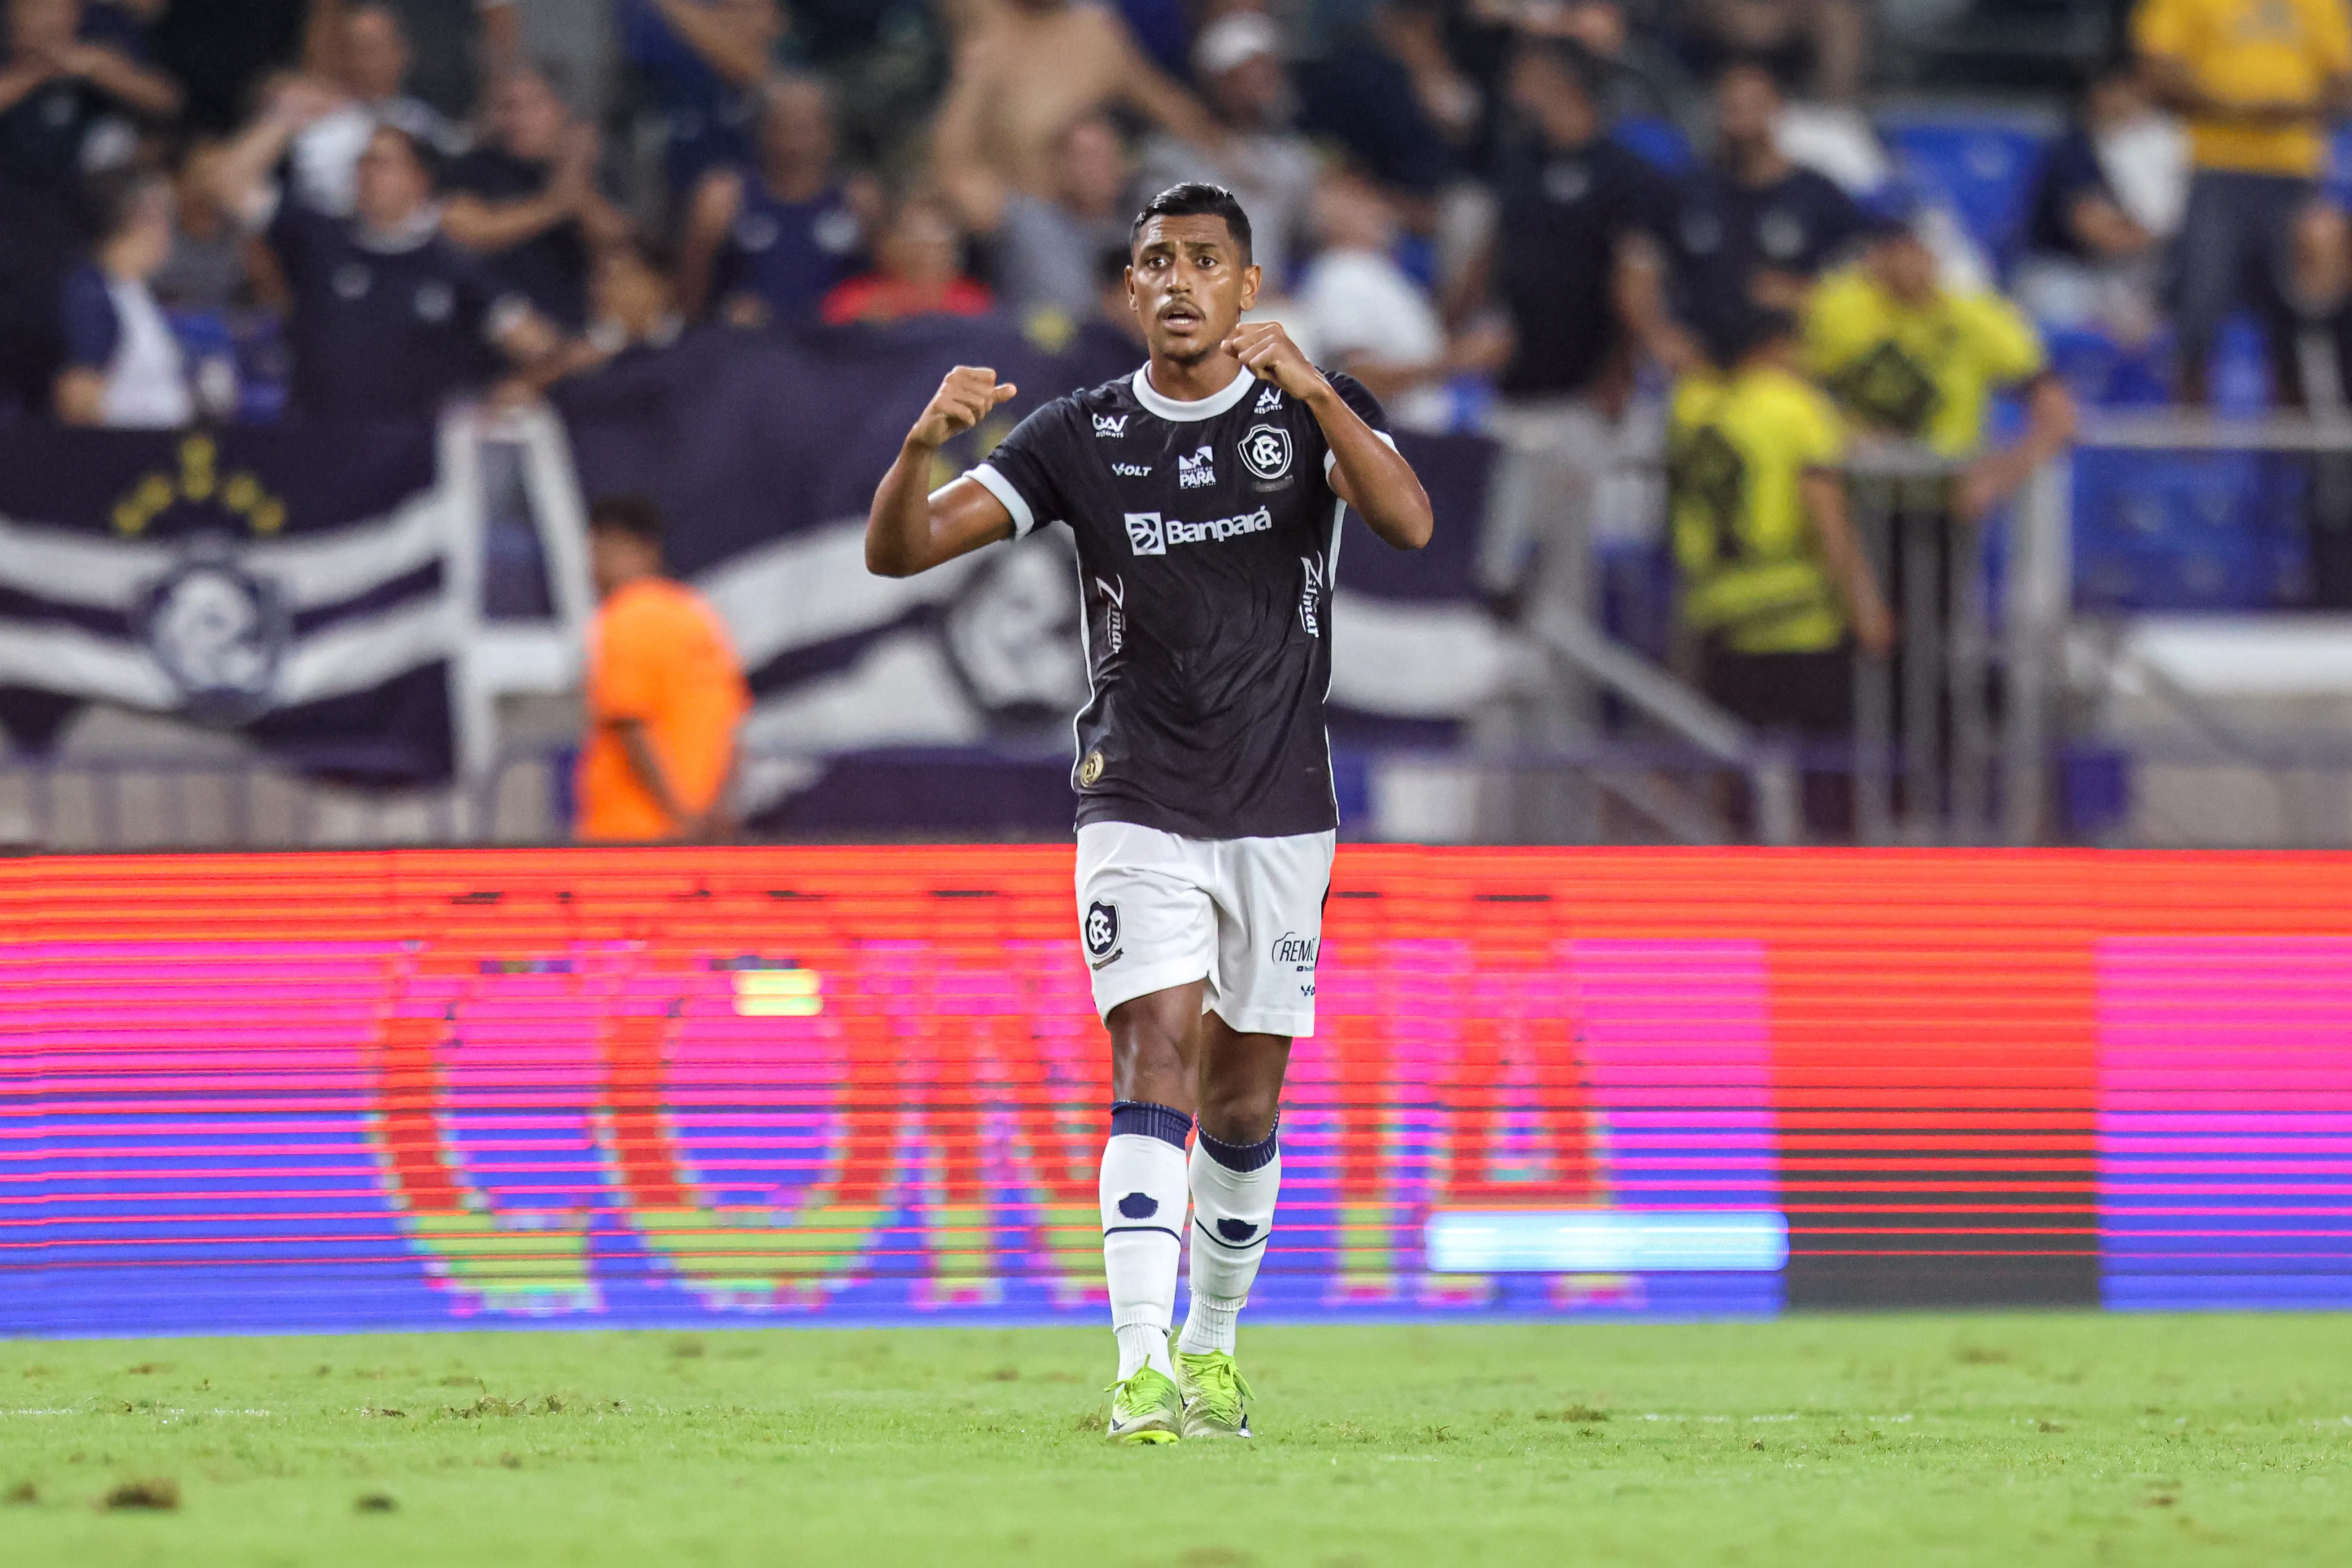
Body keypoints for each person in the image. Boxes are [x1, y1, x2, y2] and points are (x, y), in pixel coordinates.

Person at [863, 182, 1432, 1444]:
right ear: (1130, 292)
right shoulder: (1078, 432)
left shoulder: (1304, 409)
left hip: (1283, 805)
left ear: (1247, 284)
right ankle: (1140, 1367)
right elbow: (900, 554)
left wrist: (1325, 391)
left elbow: (1408, 519)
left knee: (1244, 1099)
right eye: (1153, 262)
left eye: (1205, 260)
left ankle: (1215, 1345)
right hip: (1136, 794)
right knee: (1152, 1053)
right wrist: (919, 451)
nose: (1177, 280)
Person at [1458, 34, 1673, 612]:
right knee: (1498, 564)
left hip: (1586, 397)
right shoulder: (1517, 162)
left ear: (1560, 80)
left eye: (1524, 73)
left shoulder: (1625, 174)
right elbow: (1494, 255)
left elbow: (1636, 289)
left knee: (1570, 572)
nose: (1513, 88)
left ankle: (1566, 699)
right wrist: (1457, 318)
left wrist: (1617, 379)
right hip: (1513, 393)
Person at [1668, 303, 1889, 834]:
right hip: (1797, 612)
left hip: (1718, 609)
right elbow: (1827, 516)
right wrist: (1865, 604)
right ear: (1769, 348)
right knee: (1825, 778)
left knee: (1738, 780)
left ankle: (1743, 899)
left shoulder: (1691, 405)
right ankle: (1826, 897)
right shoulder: (1791, 406)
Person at [212, 85, 562, 419]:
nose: (366, 174)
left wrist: (519, 386)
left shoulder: (452, 265)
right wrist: (285, 116)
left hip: (410, 458)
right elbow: (229, 181)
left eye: (382, 164)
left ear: (419, 178)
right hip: (317, 445)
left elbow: (543, 347)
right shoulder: (317, 235)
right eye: (363, 162)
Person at [2133, 0, 2352, 406]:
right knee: (2198, 308)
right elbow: (2157, 69)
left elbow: (2343, 81)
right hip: (2216, 168)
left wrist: (2290, 109)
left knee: (2297, 318)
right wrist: (2234, 105)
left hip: (2294, 172)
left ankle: (2294, 457)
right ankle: (2191, 450)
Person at [1806, 206, 2077, 525]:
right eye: (1894, 248)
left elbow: (2058, 412)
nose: (1907, 261)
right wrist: (1839, 436)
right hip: (1857, 494)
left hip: (1945, 499)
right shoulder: (1839, 307)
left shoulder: (1977, 317)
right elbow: (1797, 388)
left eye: (1916, 249)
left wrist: (2000, 474)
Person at [0, 0, 181, 414]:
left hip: (72, 274)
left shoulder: (93, 80)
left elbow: (168, 103)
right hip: (8, 269)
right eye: (39, 9)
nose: (53, 20)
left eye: (63, 9)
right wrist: (34, 74)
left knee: (74, 407)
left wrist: (97, 67)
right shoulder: (12, 72)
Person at [1649, 60, 1870, 363]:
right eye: (1729, 107)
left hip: (1786, 371)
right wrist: (1658, 332)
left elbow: (1864, 275)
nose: (1739, 118)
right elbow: (1641, 265)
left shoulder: (1817, 193)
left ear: (1777, 108)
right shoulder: (1688, 191)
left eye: (1750, 105)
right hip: (1697, 369)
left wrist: (1807, 295)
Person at [927, 0, 1221, 210]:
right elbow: (951, 157)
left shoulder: (1094, 33)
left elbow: (1175, 111)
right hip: (1020, 218)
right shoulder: (988, 31)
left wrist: (1232, 158)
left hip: (1101, 218)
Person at [577, 492, 752, 843]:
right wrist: (716, 813)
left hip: (629, 835)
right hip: (701, 833)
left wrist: (681, 818)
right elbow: (731, 733)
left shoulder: (624, 617)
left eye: (601, 552)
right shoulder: (700, 616)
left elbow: (631, 727)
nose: (593, 568)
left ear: (637, 548)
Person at [1133, 11, 1318, 288]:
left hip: (1282, 304)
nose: (1261, 81)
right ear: (1215, 82)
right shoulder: (1170, 158)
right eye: (1245, 73)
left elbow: (1314, 232)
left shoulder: (1291, 158)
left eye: (1266, 69)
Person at [441, 62, 630, 329]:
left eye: (532, 106)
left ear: (563, 111)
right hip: (499, 321)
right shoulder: (475, 167)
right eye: (508, 107)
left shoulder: (594, 169)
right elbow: (462, 229)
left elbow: (620, 243)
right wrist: (558, 201)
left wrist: (575, 172)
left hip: (582, 321)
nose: (518, 119)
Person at [675, 72, 867, 327]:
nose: (796, 143)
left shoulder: (859, 199)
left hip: (835, 346)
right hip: (748, 347)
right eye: (785, 126)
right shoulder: (725, 195)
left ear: (829, 133)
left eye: (807, 127)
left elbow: (889, 283)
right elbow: (688, 297)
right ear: (761, 131)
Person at [2016, 60, 2187, 342]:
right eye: (2130, 92)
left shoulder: (2159, 146)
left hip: (2129, 279)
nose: (2140, 103)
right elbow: (2100, 233)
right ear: (2101, 94)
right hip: (2063, 275)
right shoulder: (2075, 149)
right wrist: (2177, 232)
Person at [939, 109, 1132, 328]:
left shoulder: (1143, 226)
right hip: (1040, 353)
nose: (1096, 168)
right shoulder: (1029, 222)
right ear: (1058, 167)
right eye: (1082, 157)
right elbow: (955, 172)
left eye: (1104, 155)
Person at [287, 1, 467, 218]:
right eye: (352, 51)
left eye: (372, 49)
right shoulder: (317, 130)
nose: (361, 62)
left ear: (402, 54)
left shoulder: (423, 120)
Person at [55, 166, 192, 427]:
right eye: (168, 217)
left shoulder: (137, 294)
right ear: (143, 218)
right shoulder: (93, 296)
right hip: (122, 458)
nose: (171, 232)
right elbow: (78, 397)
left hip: (160, 457)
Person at [817, 188, 990, 326]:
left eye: (940, 236)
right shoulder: (856, 303)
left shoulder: (976, 306)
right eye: (915, 236)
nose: (926, 249)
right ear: (887, 243)